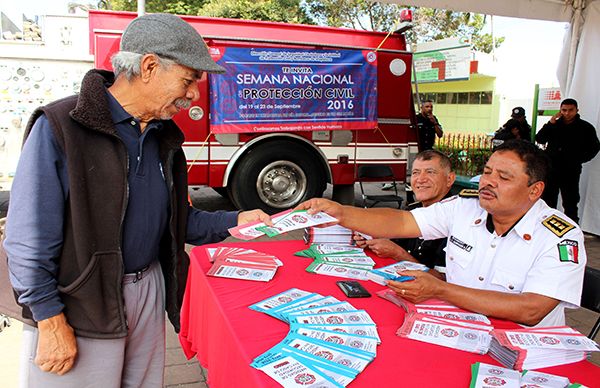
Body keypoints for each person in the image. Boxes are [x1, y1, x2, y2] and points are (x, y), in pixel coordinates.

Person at [1, 13, 271, 387]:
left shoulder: (162, 137)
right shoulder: (61, 127)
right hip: (83, 305)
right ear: (148, 67)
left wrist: (237, 221)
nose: (193, 93)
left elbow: (175, 220)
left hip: (147, 289)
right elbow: (26, 241)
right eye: (189, 79)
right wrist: (49, 319)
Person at [299, 140, 586, 327]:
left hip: (525, 350)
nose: (488, 182)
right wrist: (341, 213)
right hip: (459, 326)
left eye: (504, 177)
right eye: (487, 172)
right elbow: (401, 222)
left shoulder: (560, 236)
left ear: (534, 190)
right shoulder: (465, 207)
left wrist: (441, 289)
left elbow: (531, 310)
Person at [355, 150, 455, 277]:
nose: (421, 179)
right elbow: (395, 241)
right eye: (415, 173)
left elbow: (444, 282)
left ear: (450, 179)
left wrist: (397, 253)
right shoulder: (414, 210)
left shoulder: (458, 220)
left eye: (430, 172)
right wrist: (371, 238)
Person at [536, 98, 600, 223]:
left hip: (571, 170)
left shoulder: (585, 127)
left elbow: (594, 147)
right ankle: (545, 229)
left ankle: (572, 232)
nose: (567, 113)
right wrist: (550, 123)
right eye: (564, 110)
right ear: (560, 110)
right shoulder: (555, 125)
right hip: (551, 169)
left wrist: (578, 159)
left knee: (570, 202)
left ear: (577, 110)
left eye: (570, 110)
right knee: (548, 200)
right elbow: (540, 138)